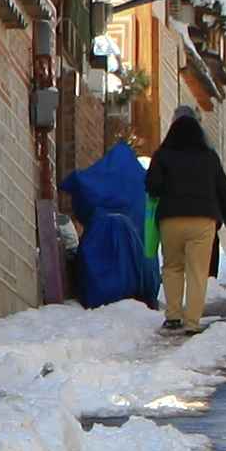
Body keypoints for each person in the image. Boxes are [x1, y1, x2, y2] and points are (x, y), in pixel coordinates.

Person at [146, 100, 226, 332]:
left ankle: (173, 316)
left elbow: (152, 186)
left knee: (172, 268)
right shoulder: (208, 157)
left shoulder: (163, 155)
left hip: (170, 220)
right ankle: (192, 321)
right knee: (197, 272)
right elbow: (224, 190)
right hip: (203, 220)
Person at [63, 120, 158, 311]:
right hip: (134, 237)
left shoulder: (105, 177)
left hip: (102, 230)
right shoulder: (140, 179)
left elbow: (84, 184)